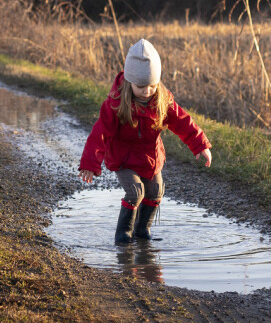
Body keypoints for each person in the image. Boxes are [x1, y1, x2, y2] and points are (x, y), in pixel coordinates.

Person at [78, 39, 213, 244]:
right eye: (141, 86)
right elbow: (100, 134)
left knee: (156, 190)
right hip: (123, 159)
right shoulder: (115, 104)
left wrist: (200, 145)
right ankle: (123, 233)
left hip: (151, 157)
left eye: (152, 85)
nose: (147, 91)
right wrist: (89, 164)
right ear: (130, 81)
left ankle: (142, 231)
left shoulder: (162, 100)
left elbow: (184, 122)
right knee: (135, 191)